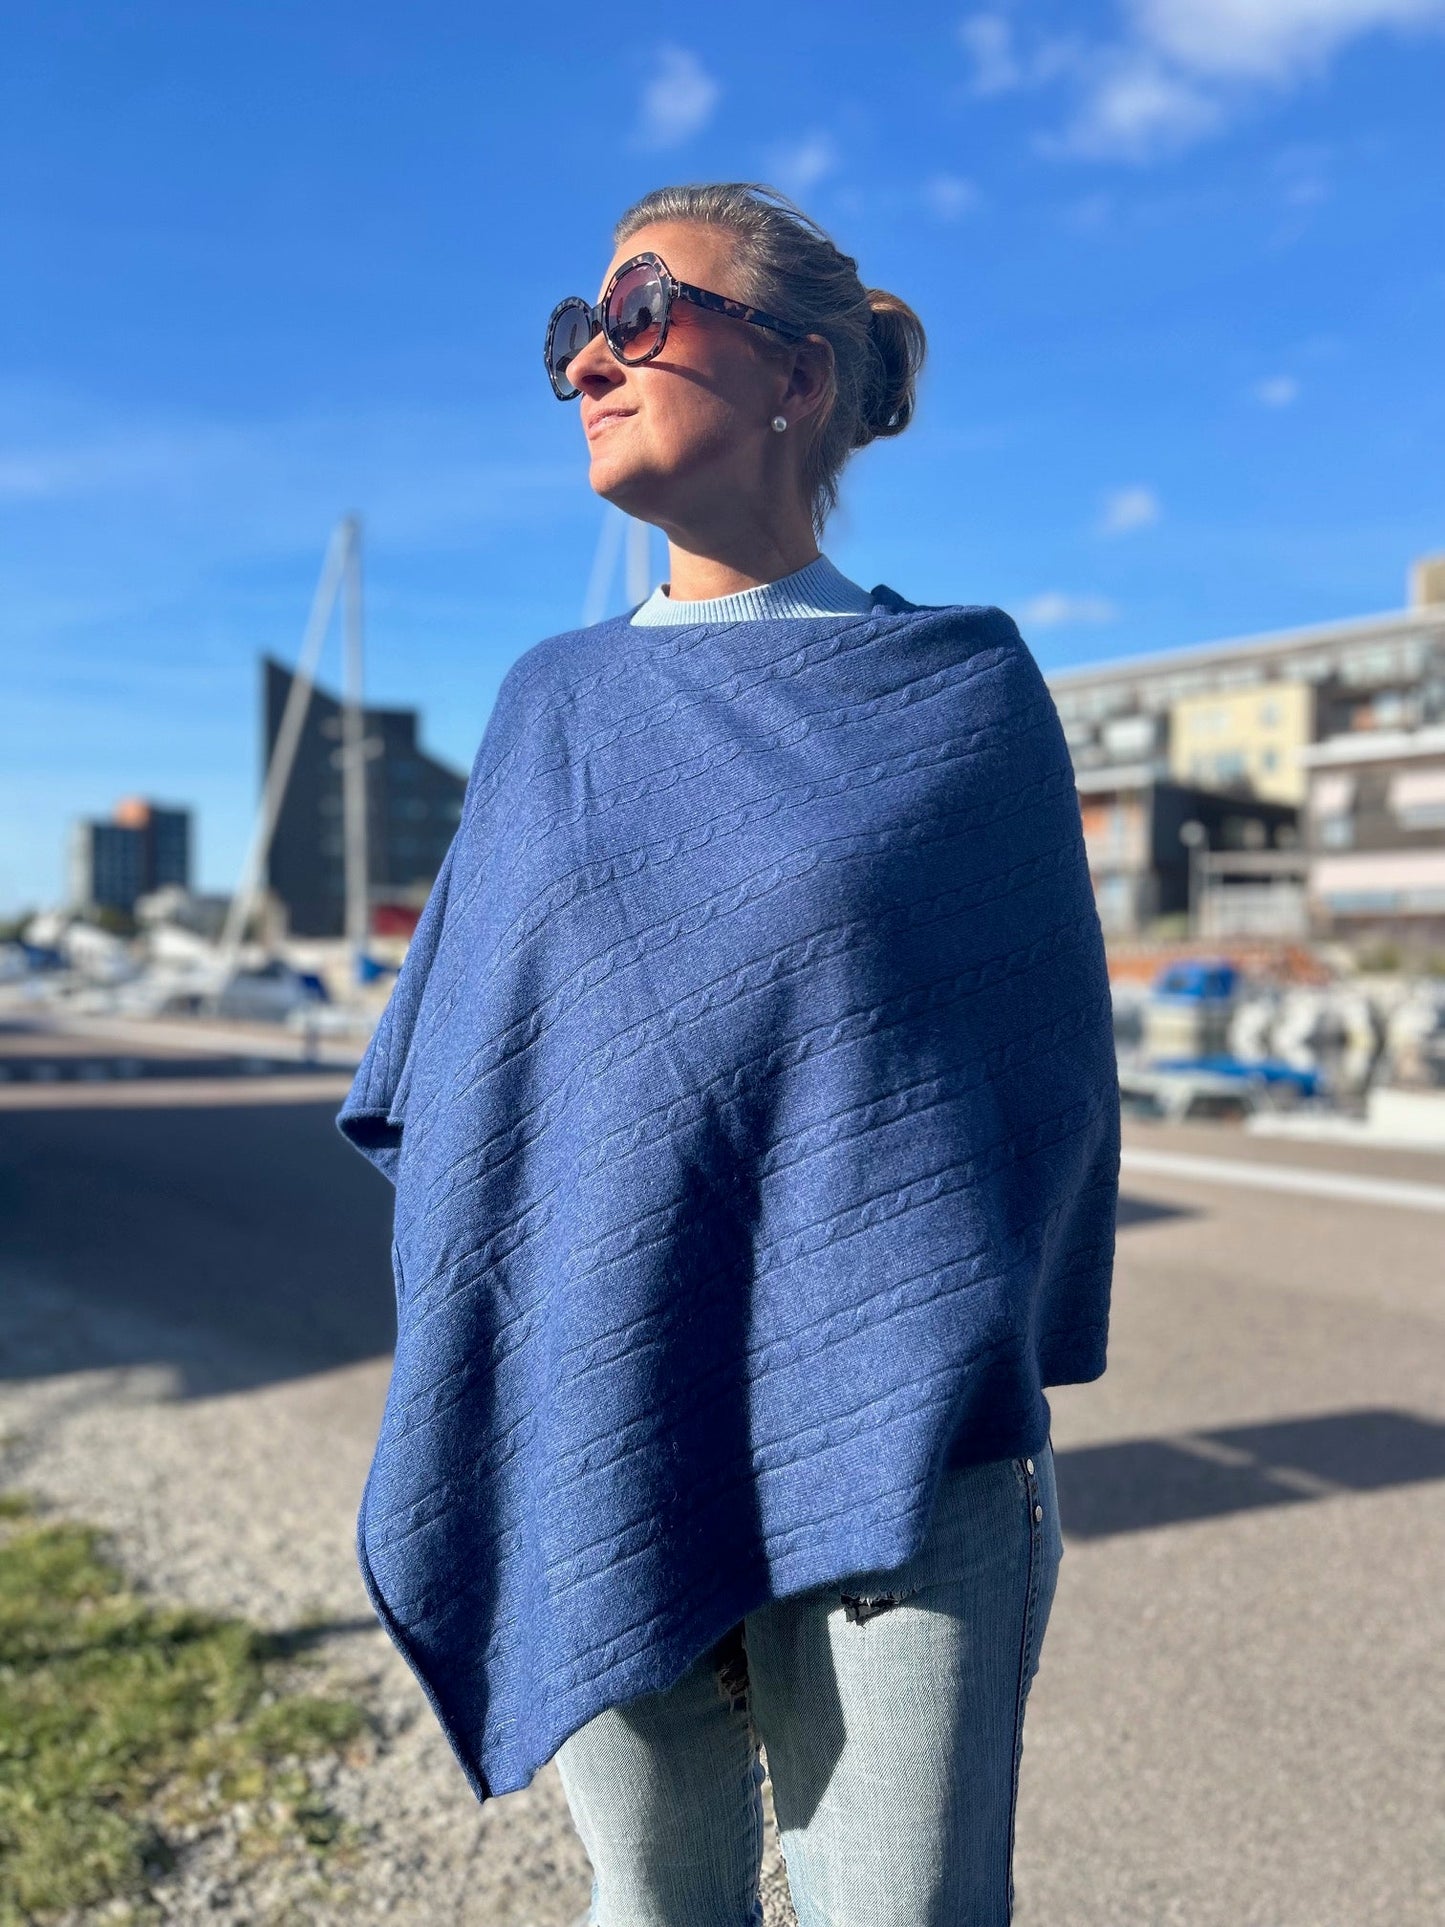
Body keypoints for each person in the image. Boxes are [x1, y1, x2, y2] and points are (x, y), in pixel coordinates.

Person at [336, 180, 1118, 1927]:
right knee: (653, 1909)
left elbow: (1040, 1093)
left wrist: (945, 1328)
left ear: (797, 376)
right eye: (573, 333)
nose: (586, 364)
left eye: (636, 311)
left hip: (899, 1432)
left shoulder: (960, 692)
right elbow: (469, 1087)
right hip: (589, 1407)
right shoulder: (551, 706)